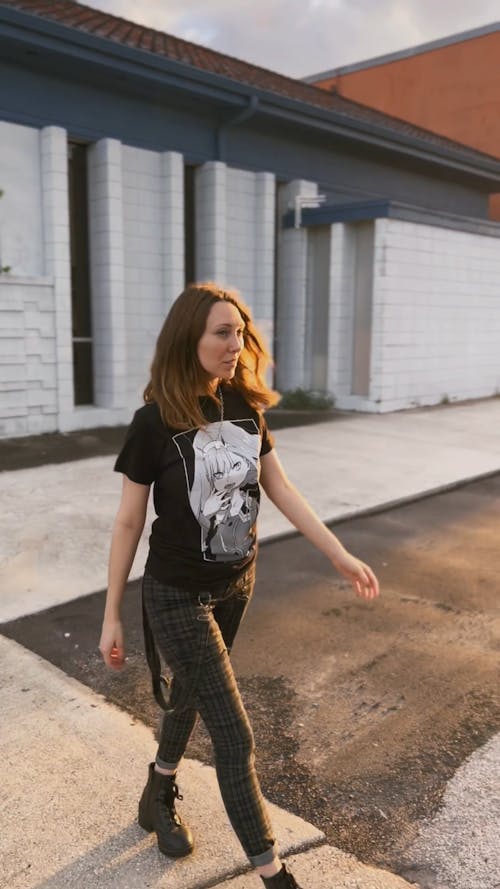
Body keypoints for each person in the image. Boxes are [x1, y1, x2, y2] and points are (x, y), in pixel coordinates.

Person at [99, 281, 380, 888]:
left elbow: (279, 488)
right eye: (223, 332)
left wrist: (338, 553)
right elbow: (127, 521)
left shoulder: (245, 408)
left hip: (236, 584)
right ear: (189, 339)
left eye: (241, 332)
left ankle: (159, 787)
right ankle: (274, 874)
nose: (237, 343)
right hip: (175, 594)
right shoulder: (154, 423)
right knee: (235, 733)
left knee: (194, 697)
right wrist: (112, 615)